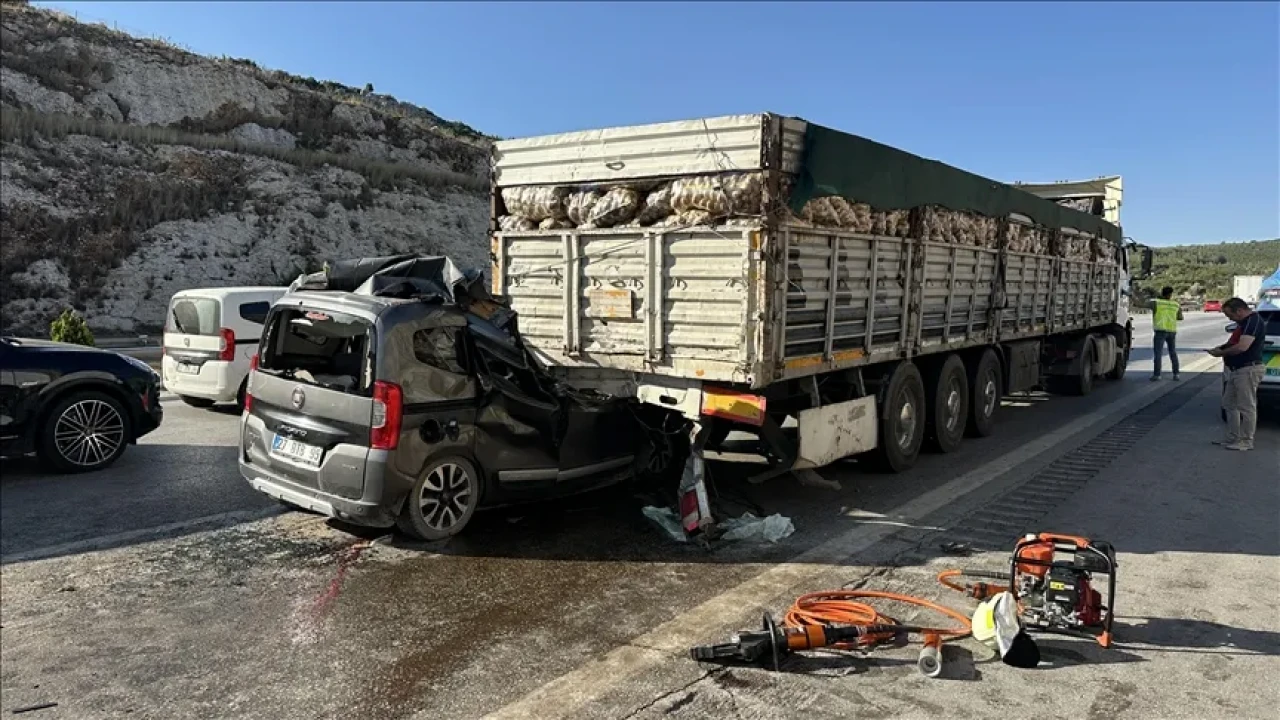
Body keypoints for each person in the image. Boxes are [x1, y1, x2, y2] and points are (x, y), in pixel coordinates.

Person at [1208, 297, 1266, 451]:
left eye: (1230, 315)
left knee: (1247, 406)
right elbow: (1233, 343)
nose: (1230, 319)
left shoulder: (1252, 322)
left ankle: (1246, 441)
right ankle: (1233, 437)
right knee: (1229, 404)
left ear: (1239, 310)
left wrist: (1221, 353)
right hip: (1236, 369)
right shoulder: (1244, 324)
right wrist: (1221, 349)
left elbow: (1242, 347)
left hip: (1248, 369)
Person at [1149, 286, 1183, 381]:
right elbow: (1180, 317)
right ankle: (1176, 374)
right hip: (1172, 331)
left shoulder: (1156, 303)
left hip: (1160, 331)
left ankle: (1157, 375)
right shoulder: (1175, 305)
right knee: (1173, 353)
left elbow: (1139, 304)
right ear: (1171, 294)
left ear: (1162, 293)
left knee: (1158, 353)